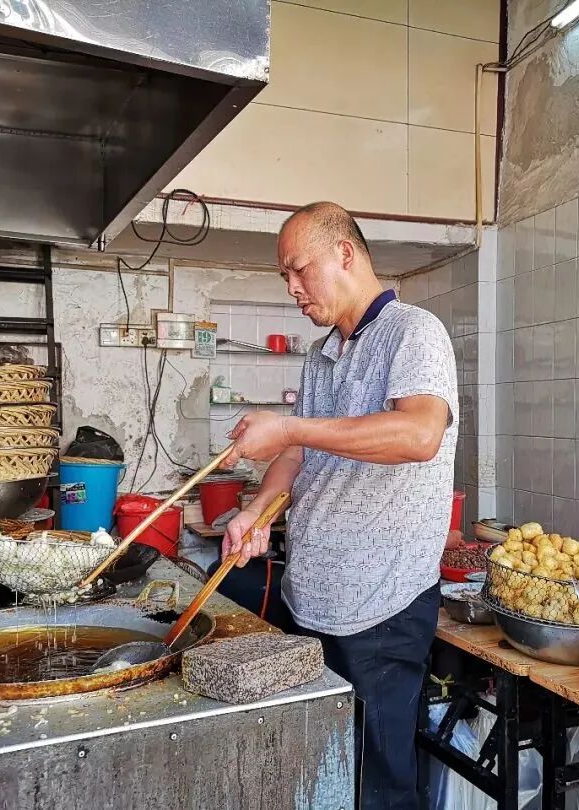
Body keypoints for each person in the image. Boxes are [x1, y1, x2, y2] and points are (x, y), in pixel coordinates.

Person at [221, 201, 458, 809]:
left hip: (381, 606)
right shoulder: (322, 353)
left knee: (378, 785)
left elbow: (417, 436)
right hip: (314, 599)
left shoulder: (414, 331)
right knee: (324, 771)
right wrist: (256, 512)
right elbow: (299, 459)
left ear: (345, 253)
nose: (293, 288)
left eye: (300, 270)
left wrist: (292, 428)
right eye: (285, 277)